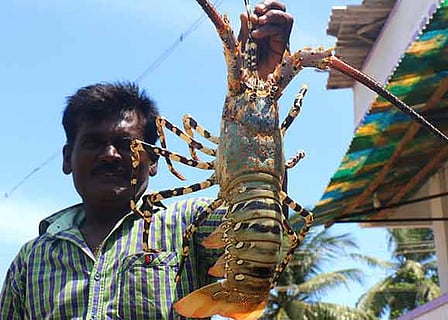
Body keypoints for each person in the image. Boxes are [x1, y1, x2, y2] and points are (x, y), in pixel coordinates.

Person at [0, 1, 293, 319]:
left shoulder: (189, 224)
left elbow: (265, 231)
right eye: (93, 143)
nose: (110, 154)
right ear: (67, 158)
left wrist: (265, 86)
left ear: (155, 159)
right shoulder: (32, 259)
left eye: (127, 145)